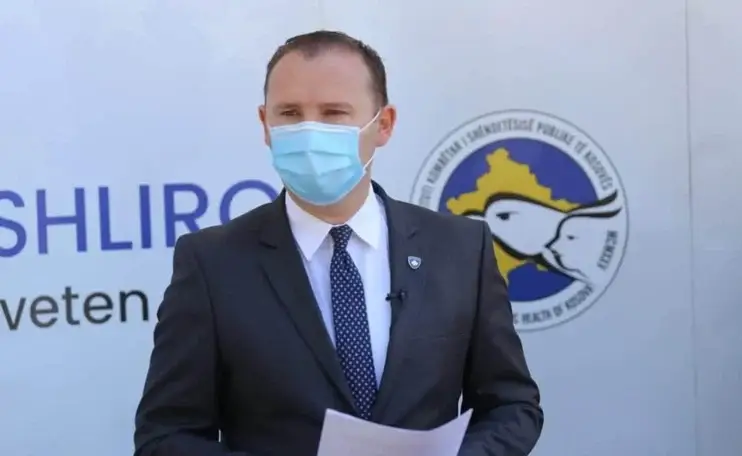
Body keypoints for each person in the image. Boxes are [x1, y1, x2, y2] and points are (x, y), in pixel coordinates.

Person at [133, 30, 543, 456]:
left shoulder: (460, 249)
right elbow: (165, 436)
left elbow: (511, 406)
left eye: (333, 113)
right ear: (265, 125)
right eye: (290, 113)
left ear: (384, 124)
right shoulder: (212, 263)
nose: (310, 132)